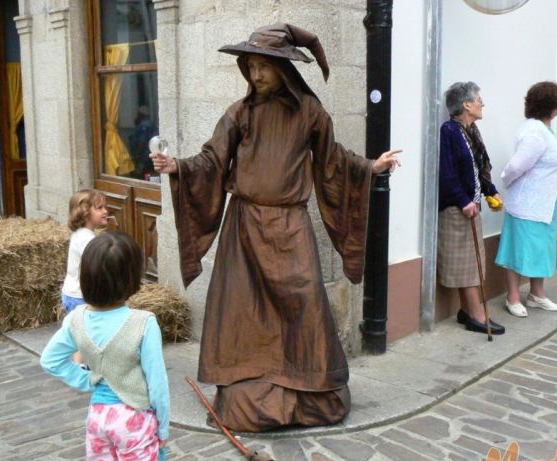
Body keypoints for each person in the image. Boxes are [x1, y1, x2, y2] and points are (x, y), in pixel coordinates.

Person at [151, 23, 401, 432]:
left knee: (303, 303)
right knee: (244, 310)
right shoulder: (240, 113)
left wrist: (371, 167)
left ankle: (305, 385)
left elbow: (332, 160)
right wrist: (178, 166)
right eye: (250, 66)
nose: (256, 75)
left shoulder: (310, 113)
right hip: (244, 227)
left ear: (284, 69)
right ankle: (247, 384)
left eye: (264, 67)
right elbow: (212, 160)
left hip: (290, 226)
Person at [41, 232, 170, 461]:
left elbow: (50, 360)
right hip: (135, 421)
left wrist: (88, 379)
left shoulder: (75, 319)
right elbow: (158, 385)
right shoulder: (143, 323)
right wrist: (163, 428)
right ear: (132, 278)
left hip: (98, 417)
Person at [496, 81, 557, 317]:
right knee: (518, 248)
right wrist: (506, 181)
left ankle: (537, 294)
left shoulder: (544, 129)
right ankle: (513, 297)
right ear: (551, 107)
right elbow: (517, 165)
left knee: (541, 248)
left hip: (546, 202)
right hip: (529, 201)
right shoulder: (535, 132)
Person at [438, 82, 505, 335]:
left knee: (473, 261)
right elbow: (447, 172)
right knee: (466, 264)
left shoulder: (472, 130)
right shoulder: (450, 131)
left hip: (471, 206)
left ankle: (468, 311)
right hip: (458, 209)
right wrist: (463, 200)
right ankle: (477, 315)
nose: (482, 104)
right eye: (478, 100)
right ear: (466, 104)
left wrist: (491, 191)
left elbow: (479, 167)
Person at [61, 189, 108, 315]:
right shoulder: (86, 238)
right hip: (80, 297)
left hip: (73, 294)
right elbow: (96, 266)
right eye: (100, 208)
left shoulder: (81, 234)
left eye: (105, 207)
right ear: (85, 213)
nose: (105, 211)